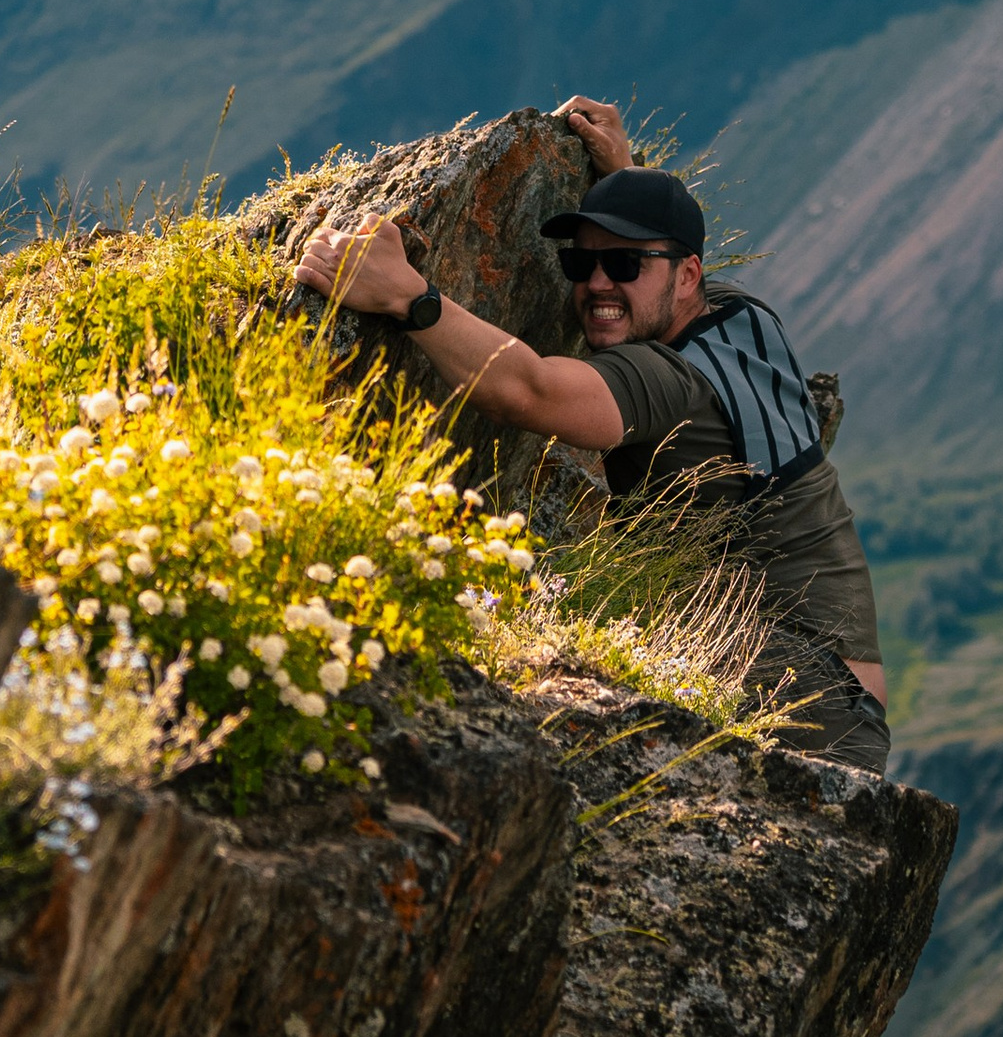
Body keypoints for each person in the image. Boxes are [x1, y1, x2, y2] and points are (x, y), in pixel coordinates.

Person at [291, 95, 890, 777]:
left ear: (686, 274)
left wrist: (409, 296)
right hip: (838, 688)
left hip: (806, 703)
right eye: (583, 265)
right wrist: (626, 179)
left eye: (625, 266)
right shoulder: (740, 315)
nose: (598, 284)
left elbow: (530, 391)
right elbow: (663, 263)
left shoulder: (667, 386)